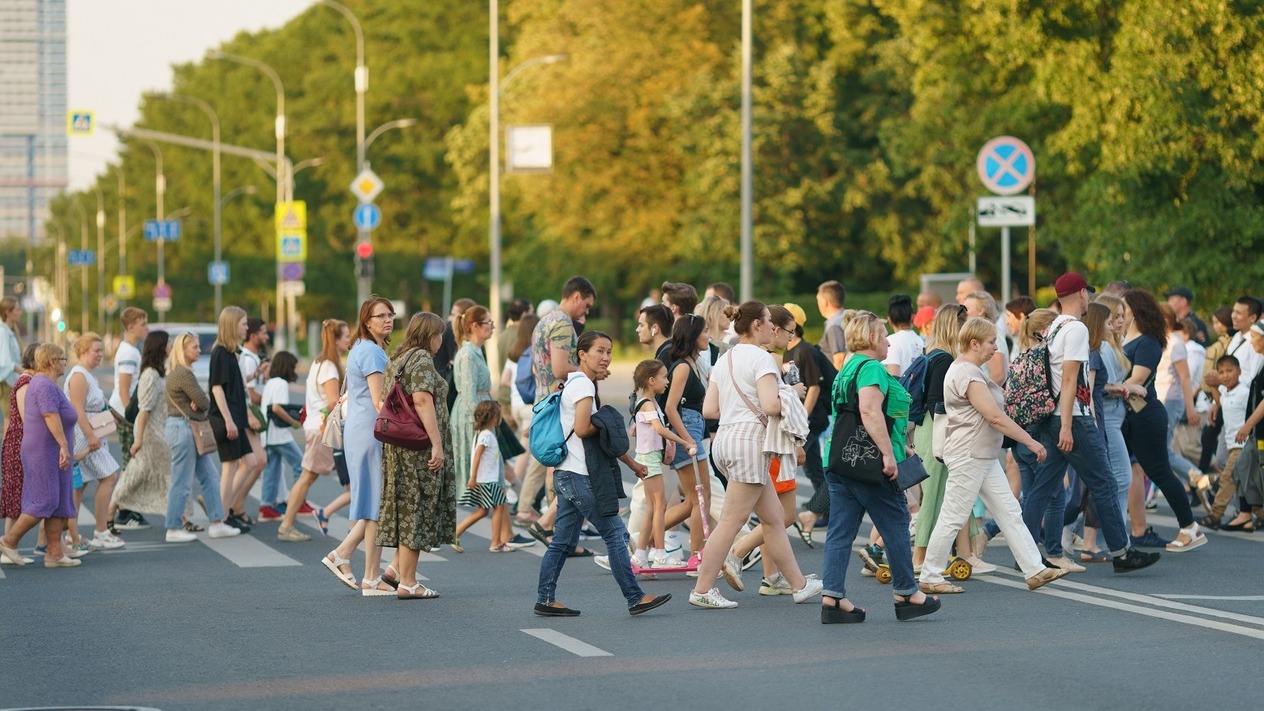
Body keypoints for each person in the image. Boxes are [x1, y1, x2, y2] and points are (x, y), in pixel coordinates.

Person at [1022, 276, 1164, 572]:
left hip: (1055, 415)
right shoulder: (1075, 329)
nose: (1089, 299)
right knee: (1105, 482)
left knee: (1044, 485)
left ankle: (1024, 550)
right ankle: (1122, 552)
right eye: (1088, 294)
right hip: (1073, 417)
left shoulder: (1055, 327)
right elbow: (1072, 378)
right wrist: (1066, 426)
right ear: (1082, 294)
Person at [919, 317, 1068, 593]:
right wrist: (1030, 441)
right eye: (990, 342)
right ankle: (929, 574)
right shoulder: (967, 373)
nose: (995, 348)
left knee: (1009, 511)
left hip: (980, 454)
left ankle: (1034, 569)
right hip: (969, 454)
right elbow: (993, 416)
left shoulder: (970, 369)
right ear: (973, 343)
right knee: (954, 515)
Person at [688, 301, 822, 610]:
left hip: (725, 439)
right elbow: (772, 406)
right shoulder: (763, 359)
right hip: (750, 443)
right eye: (769, 323)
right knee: (732, 521)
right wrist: (792, 393)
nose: (774, 329)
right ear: (757, 326)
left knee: (774, 519)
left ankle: (799, 585)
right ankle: (702, 588)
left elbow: (710, 410)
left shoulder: (725, 359)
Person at [534, 330, 671, 617]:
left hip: (567, 473)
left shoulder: (577, 383)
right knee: (616, 534)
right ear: (582, 354)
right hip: (578, 475)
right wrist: (609, 420)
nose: (606, 357)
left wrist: (631, 463)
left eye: (609, 351)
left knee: (562, 542)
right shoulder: (583, 386)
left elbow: (593, 435)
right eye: (599, 351)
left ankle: (545, 599)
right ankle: (635, 597)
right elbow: (584, 429)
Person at [819, 311, 937, 623]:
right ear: (872, 338)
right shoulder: (871, 367)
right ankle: (907, 592)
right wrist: (888, 454)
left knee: (840, 531)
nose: (887, 342)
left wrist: (900, 444)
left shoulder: (848, 367)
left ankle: (832, 597)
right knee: (897, 522)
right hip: (869, 462)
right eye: (883, 336)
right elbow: (869, 411)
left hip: (839, 458)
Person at [1118, 288, 1207, 552]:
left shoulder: (1147, 342)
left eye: (1123, 308)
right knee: (1121, 471)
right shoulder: (1124, 340)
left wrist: (1105, 387)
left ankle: (1189, 526)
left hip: (1146, 416)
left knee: (1160, 471)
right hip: (1129, 416)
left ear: (1135, 310)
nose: (1119, 312)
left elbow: (1136, 380)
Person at [375, 312, 454, 599]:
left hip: (400, 445)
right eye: (439, 334)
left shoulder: (400, 356)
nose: (441, 339)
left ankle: (400, 574)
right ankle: (409, 582)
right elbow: (422, 400)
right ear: (429, 335)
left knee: (408, 507)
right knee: (416, 508)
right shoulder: (420, 358)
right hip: (417, 445)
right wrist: (437, 443)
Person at [323, 297, 395, 596]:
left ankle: (351, 562)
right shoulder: (371, 352)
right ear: (367, 321)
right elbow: (381, 402)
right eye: (381, 316)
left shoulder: (362, 348)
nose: (388, 320)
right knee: (375, 503)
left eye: (390, 314)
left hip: (361, 429)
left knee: (372, 504)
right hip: (370, 431)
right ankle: (363, 572)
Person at [0, 344, 79, 568]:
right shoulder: (43, 384)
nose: (65, 361)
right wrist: (63, 445)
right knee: (44, 500)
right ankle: (8, 541)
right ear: (52, 362)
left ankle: (54, 553)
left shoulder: (49, 383)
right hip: (44, 451)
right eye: (63, 358)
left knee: (59, 501)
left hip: (55, 451)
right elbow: (50, 415)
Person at [164, 332, 239, 542]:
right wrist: (199, 402)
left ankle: (217, 522)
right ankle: (173, 527)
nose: (199, 350)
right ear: (183, 350)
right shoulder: (183, 374)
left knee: (210, 476)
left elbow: (201, 402)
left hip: (188, 427)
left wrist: (199, 402)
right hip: (183, 428)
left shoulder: (181, 372)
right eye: (195, 347)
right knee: (181, 481)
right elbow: (204, 402)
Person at [911, 304, 969, 571]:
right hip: (936, 431)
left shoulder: (932, 354)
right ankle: (920, 556)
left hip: (926, 429)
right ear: (954, 327)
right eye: (964, 325)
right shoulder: (945, 359)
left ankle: (947, 553)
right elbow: (938, 403)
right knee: (933, 498)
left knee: (939, 496)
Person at [61, 333, 125, 551]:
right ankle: (101, 531)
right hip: (85, 433)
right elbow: (77, 408)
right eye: (96, 351)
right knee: (108, 477)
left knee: (79, 485)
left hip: (92, 430)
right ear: (83, 352)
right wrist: (90, 435)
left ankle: (71, 536)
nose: (100, 354)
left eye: (101, 350)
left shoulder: (86, 374)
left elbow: (97, 402)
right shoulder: (79, 375)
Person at [629, 359, 692, 569]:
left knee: (651, 508)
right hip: (649, 459)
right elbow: (659, 429)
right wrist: (684, 441)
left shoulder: (649, 401)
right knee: (659, 506)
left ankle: (639, 554)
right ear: (651, 380)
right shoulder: (647, 402)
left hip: (650, 457)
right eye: (664, 377)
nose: (667, 381)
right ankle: (660, 553)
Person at [662, 313, 715, 564]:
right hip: (688, 430)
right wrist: (686, 440)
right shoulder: (683, 366)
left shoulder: (695, 364)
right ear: (693, 336)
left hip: (694, 426)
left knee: (696, 500)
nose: (709, 336)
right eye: (705, 331)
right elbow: (671, 408)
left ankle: (643, 537)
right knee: (700, 499)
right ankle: (697, 557)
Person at [111, 331, 172, 523]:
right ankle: (109, 517)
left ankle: (109, 517)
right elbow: (144, 410)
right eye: (168, 342)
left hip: (158, 432)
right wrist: (138, 439)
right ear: (160, 347)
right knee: (136, 477)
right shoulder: (150, 375)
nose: (171, 345)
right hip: (150, 435)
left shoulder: (160, 372)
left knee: (136, 477)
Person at [454, 401, 528, 552]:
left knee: (483, 511)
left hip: (486, 480)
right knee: (500, 507)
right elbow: (477, 457)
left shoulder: (482, 434)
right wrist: (472, 477)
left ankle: (456, 533)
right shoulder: (486, 436)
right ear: (494, 418)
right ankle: (496, 543)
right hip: (488, 481)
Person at [208, 307, 254, 533]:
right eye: (244, 324)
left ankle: (223, 512)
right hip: (226, 419)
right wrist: (228, 420)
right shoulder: (220, 353)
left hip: (235, 418)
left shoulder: (230, 352)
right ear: (232, 325)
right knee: (229, 468)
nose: (247, 328)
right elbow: (217, 389)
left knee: (249, 463)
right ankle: (220, 518)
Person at [108, 306, 150, 529]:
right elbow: (125, 389)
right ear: (130, 326)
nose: (146, 328)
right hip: (126, 414)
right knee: (131, 461)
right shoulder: (128, 353)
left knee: (133, 461)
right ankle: (122, 511)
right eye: (143, 324)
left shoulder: (130, 350)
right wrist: (132, 418)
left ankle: (126, 508)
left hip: (126, 412)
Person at [261, 352, 309, 541]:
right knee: (301, 466)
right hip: (280, 435)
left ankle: (266, 506)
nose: (295, 370)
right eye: (293, 366)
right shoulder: (280, 383)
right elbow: (277, 408)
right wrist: (294, 422)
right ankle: (297, 503)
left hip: (268, 434)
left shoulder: (271, 382)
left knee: (271, 470)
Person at [503, 313, 542, 524]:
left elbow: (504, 380)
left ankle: (518, 494)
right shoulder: (535, 353)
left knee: (523, 449)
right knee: (525, 452)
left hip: (516, 404)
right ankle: (516, 493)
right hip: (530, 406)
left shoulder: (514, 353)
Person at [1201, 355, 1248, 528]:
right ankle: (1253, 515)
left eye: (1230, 371)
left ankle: (1215, 515)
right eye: (1221, 372)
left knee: (1227, 478)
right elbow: (1222, 402)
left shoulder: (1244, 392)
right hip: (1231, 445)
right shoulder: (1226, 393)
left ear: (1239, 371)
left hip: (1242, 445)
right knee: (1246, 483)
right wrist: (1214, 386)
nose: (1226, 375)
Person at [451, 305, 494, 491]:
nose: (492, 326)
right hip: (473, 416)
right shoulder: (469, 355)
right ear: (475, 326)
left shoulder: (475, 352)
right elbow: (469, 395)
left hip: (481, 411)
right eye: (489, 323)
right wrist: (481, 424)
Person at [1, 343, 37, 553]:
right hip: (18, 443)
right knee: (15, 494)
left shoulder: (30, 380)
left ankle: (10, 546)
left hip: (20, 442)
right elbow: (26, 418)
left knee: (17, 495)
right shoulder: (25, 381)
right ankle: (8, 544)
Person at [237, 318, 270, 521]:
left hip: (251, 415)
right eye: (264, 332)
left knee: (253, 462)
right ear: (253, 335)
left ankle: (233, 505)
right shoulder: (247, 358)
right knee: (252, 463)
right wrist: (270, 393)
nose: (267, 336)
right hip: (249, 415)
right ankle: (233, 506)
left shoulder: (252, 359)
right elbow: (249, 394)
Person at [963, 290, 1009, 383]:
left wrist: (983, 394)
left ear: (981, 311)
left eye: (966, 308)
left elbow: (998, 375)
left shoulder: (991, 334)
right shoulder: (981, 333)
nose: (963, 312)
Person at [883, 294, 923, 377]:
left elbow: (893, 378)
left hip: (900, 389)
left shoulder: (890, 342)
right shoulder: (922, 341)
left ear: (889, 320)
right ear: (912, 317)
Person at [0, 298, 22, 433]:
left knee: (12, 420)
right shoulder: (3, 332)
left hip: (11, 381)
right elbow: (6, 362)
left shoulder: (10, 331)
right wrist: (25, 372)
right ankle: (7, 453)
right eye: (17, 309)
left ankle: (9, 452)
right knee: (9, 420)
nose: (20, 312)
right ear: (8, 312)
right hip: (7, 382)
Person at [816, 280, 847, 369]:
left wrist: (835, 382)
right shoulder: (848, 317)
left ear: (825, 302)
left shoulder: (834, 326)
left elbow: (839, 359)